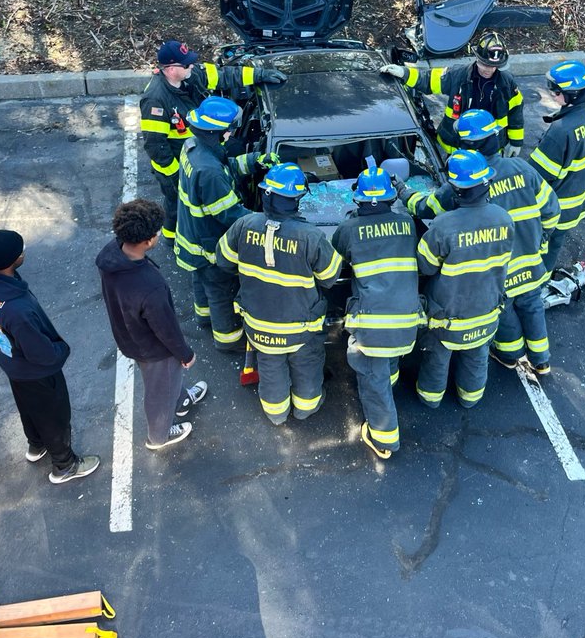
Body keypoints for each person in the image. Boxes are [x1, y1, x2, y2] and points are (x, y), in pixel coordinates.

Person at [401, 111, 560, 375]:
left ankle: (509, 355)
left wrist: (404, 193)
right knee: (533, 306)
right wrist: (540, 242)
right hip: (532, 264)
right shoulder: (523, 169)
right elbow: (552, 210)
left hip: (500, 274)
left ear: (467, 144)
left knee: (505, 312)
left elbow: (425, 208)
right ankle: (541, 360)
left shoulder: (462, 184)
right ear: (494, 137)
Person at [216, 163, 342, 425]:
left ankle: (276, 415)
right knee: (306, 367)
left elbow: (223, 260)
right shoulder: (311, 237)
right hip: (301, 329)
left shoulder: (243, 225)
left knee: (271, 369)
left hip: (259, 326)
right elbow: (330, 277)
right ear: (297, 199)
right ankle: (306, 409)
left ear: (265, 194)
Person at [0, 225, 100, 484]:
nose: (24, 253)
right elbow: (41, 353)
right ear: (12, 260)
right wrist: (59, 351)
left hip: (13, 364)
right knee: (54, 415)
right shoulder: (17, 310)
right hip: (37, 371)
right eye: (21, 251)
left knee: (29, 407)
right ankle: (64, 465)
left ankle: (36, 444)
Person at [139, 39, 285, 243]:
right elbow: (155, 146)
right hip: (175, 163)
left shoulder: (192, 74)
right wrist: (177, 176)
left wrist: (260, 75)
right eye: (186, 64)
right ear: (171, 69)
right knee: (176, 203)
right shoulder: (155, 100)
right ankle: (171, 238)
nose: (192, 66)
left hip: (201, 147)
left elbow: (226, 76)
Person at [97, 199, 208, 451]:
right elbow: (165, 329)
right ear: (147, 241)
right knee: (159, 391)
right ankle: (159, 436)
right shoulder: (150, 287)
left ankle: (180, 400)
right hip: (154, 349)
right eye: (156, 232)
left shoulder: (111, 254)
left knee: (167, 380)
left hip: (129, 334)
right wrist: (185, 353)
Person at [332, 158, 423, 459]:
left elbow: (337, 259)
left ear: (357, 197)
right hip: (408, 320)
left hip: (373, 328)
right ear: (391, 197)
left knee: (372, 379)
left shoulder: (348, 228)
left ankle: (383, 439)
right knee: (387, 365)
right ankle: (390, 379)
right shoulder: (407, 223)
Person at [414, 149, 513, 409]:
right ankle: (470, 399)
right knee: (477, 358)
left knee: (436, 359)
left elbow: (425, 266)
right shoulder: (504, 219)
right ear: (486, 183)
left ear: (455, 190)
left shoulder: (444, 226)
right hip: (486, 314)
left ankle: (430, 399)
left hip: (447, 319)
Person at [175, 95, 270, 352]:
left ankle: (203, 317)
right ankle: (228, 339)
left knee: (201, 281)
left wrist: (254, 161)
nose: (230, 134)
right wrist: (265, 221)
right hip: (208, 243)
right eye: (227, 130)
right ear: (214, 132)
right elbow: (230, 215)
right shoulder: (209, 171)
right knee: (220, 291)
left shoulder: (195, 146)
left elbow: (226, 166)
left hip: (192, 236)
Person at [380, 31, 525, 156]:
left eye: (494, 66)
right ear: (477, 58)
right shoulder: (458, 75)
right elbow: (429, 80)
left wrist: (516, 142)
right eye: (485, 64)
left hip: (490, 146)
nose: (489, 69)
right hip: (459, 145)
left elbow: (516, 112)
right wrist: (404, 73)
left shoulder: (507, 83)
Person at [529, 61, 585, 272]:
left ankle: (539, 283)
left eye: (556, 90)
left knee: (545, 247)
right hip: (578, 199)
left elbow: (536, 177)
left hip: (556, 205)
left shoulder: (560, 132)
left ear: (573, 95)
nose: (552, 93)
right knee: (557, 241)